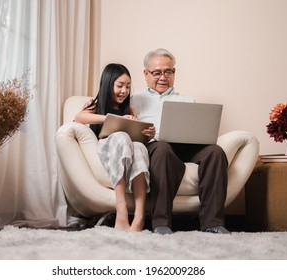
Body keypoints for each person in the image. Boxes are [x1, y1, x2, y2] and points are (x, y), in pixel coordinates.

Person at [130, 48, 230, 234]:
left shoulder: (187, 100)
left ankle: (213, 223)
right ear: (145, 74)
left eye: (169, 71)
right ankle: (161, 223)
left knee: (215, 152)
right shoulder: (133, 100)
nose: (163, 77)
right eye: (157, 72)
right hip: (155, 146)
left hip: (185, 145)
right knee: (162, 148)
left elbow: (196, 131)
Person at [75, 63, 155, 232]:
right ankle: (121, 210)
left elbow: (137, 137)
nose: (124, 91)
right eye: (119, 86)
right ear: (108, 84)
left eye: (128, 86)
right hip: (108, 150)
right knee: (121, 136)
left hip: (128, 151)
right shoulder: (96, 106)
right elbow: (79, 117)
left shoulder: (130, 109)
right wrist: (109, 119)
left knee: (139, 146)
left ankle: (140, 216)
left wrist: (148, 133)